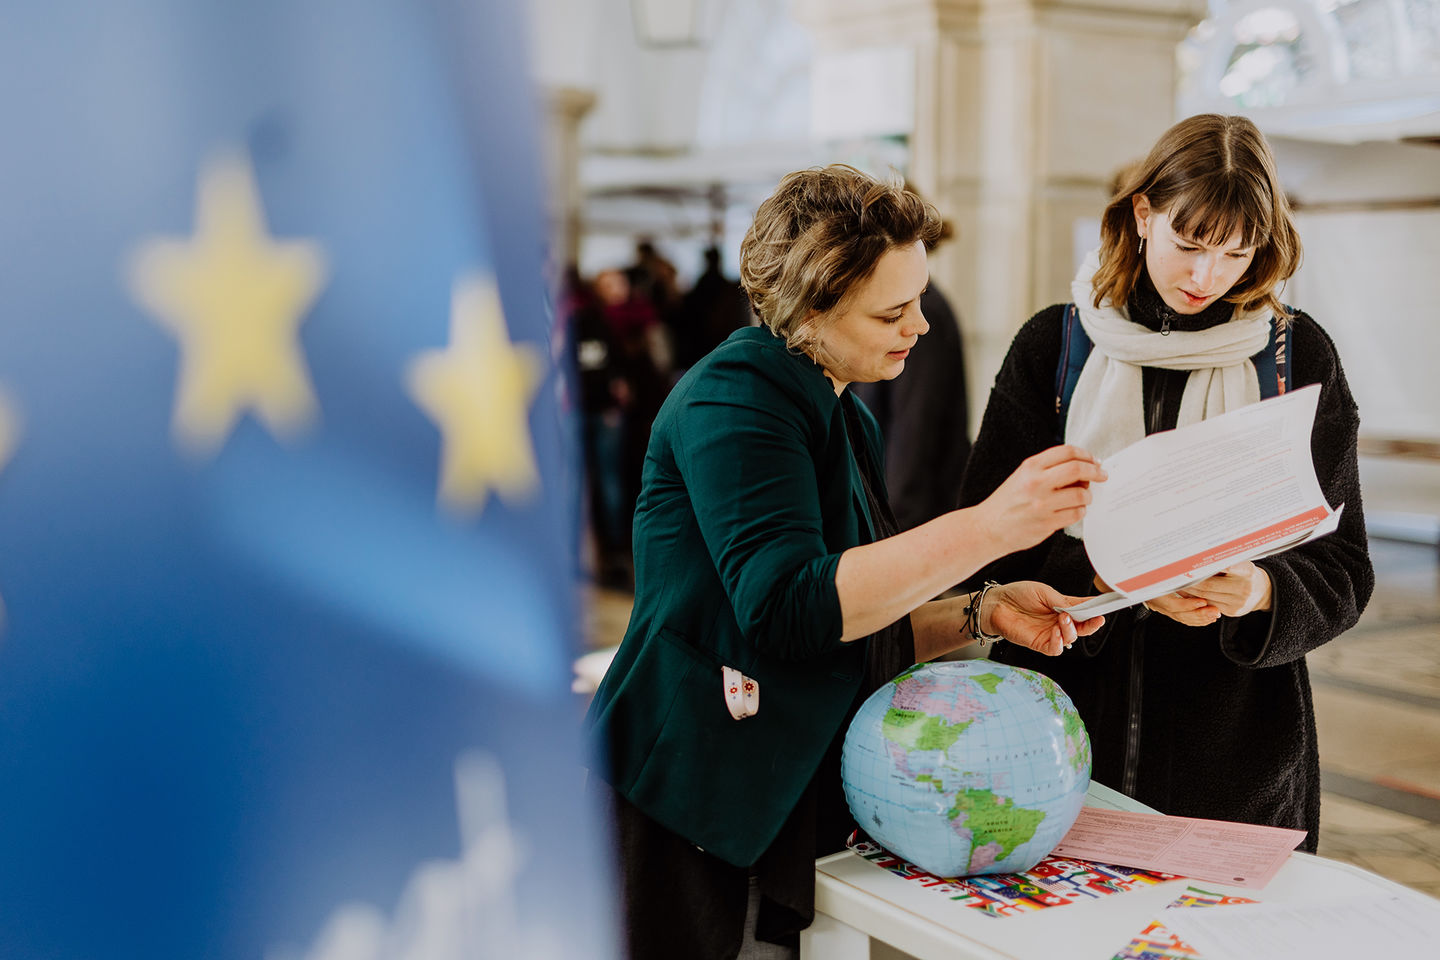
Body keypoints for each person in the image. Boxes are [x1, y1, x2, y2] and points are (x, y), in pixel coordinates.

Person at [585, 164, 1108, 960]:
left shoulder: (844, 414)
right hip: (696, 801)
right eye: (894, 310)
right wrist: (994, 525)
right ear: (808, 309)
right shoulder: (735, 396)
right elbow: (788, 610)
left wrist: (978, 610)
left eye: (921, 300)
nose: (921, 327)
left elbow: (854, 619)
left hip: (784, 794)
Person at [958, 114, 1375, 853]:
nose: (1205, 278)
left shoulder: (1294, 353)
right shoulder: (1055, 346)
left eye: (1235, 254)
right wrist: (1101, 568)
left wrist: (1261, 593)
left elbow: (1342, 568)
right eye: (1189, 244)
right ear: (1143, 214)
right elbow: (979, 538)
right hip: (1056, 737)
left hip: (1237, 757)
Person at [852, 202, 970, 532]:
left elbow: (914, 430)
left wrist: (891, 529)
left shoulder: (922, 312)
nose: (917, 324)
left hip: (913, 518)